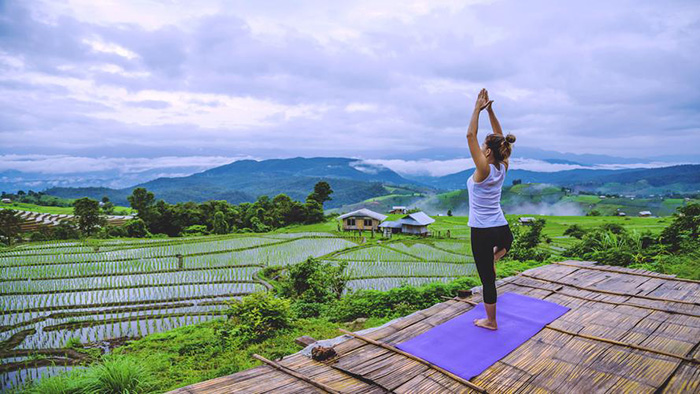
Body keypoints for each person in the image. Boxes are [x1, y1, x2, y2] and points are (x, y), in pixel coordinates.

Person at [466, 88, 516, 330]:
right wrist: (491, 110)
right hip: (501, 230)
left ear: (487, 151)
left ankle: (491, 321)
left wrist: (477, 108)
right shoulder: (502, 167)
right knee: (507, 243)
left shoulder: (484, 170)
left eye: (485, 145)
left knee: (488, 279)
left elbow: (469, 136)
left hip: (482, 231)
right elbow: (499, 137)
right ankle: (495, 256)